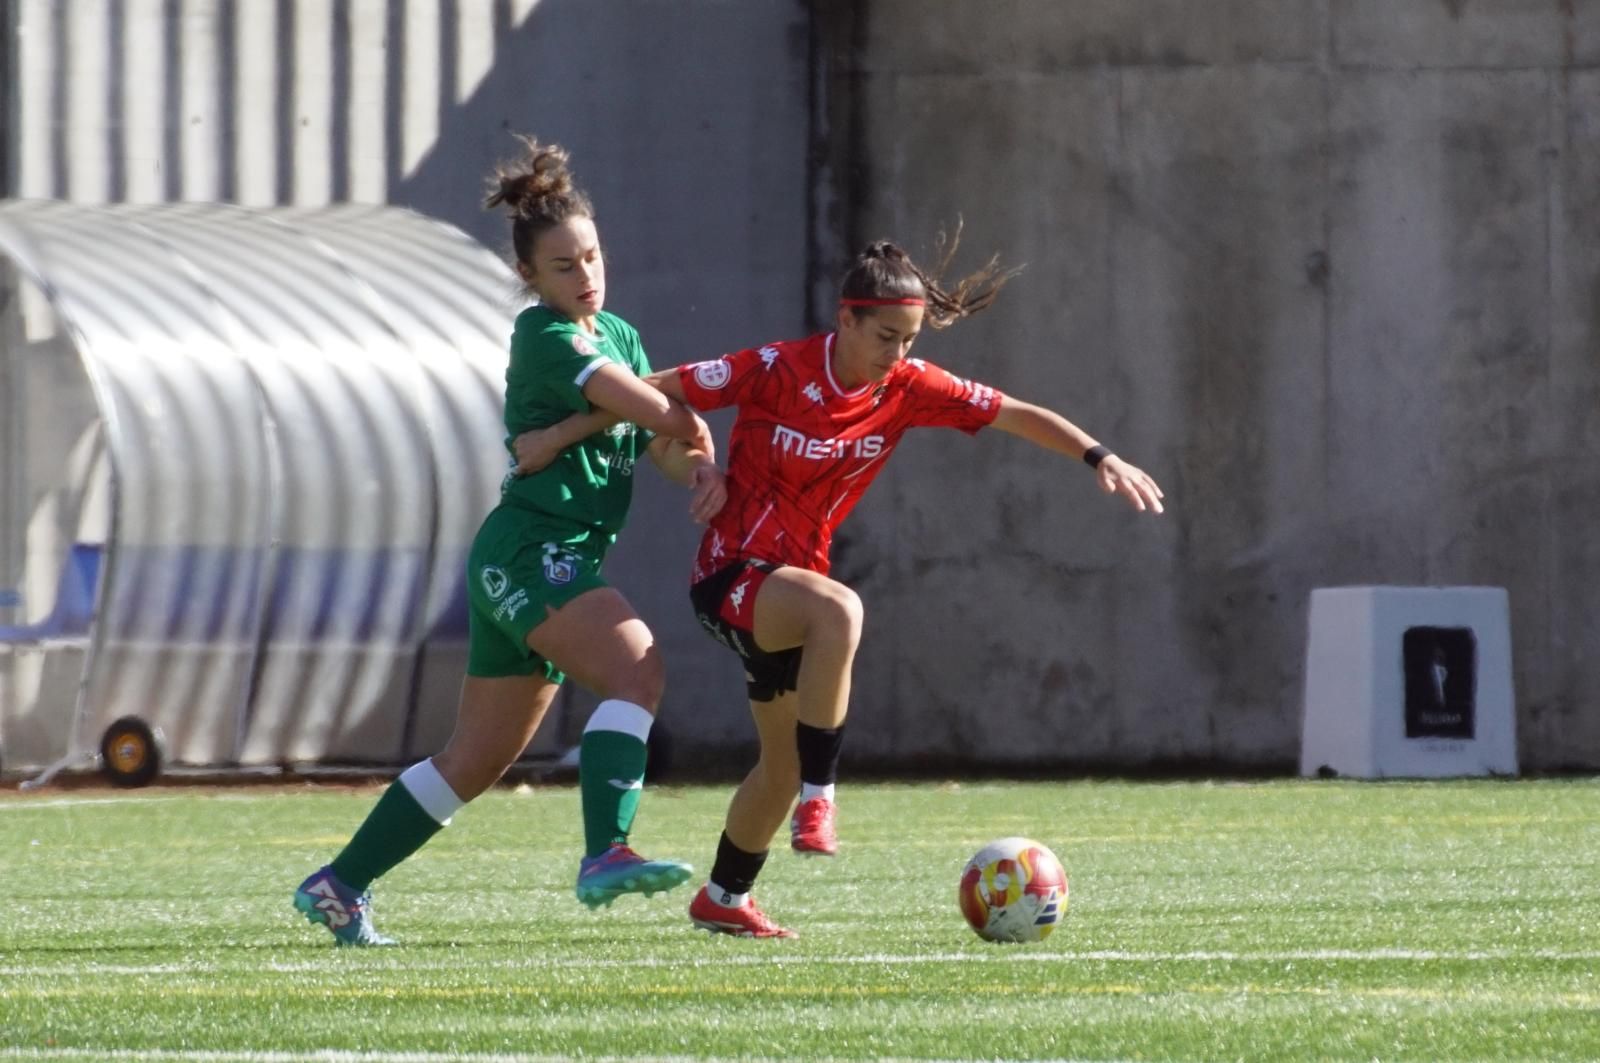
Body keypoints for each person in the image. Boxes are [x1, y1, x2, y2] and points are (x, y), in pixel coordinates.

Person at [517, 235, 1165, 938]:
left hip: (791, 597)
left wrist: (1099, 455)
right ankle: (822, 798)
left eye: (910, 339)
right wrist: (561, 435)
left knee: (779, 760)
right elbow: (655, 391)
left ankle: (726, 896)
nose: (899, 354)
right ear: (846, 319)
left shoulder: (908, 388)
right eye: (886, 335)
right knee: (841, 609)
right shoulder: (775, 368)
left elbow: (1013, 412)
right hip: (730, 576)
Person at [291, 136, 725, 946]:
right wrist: (669, 411)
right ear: (531, 277)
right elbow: (655, 407)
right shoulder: (546, 337)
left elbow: (663, 437)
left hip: (547, 561)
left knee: (474, 762)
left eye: (592, 255)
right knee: (638, 665)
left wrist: (693, 464)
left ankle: (339, 884)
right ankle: (607, 851)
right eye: (564, 265)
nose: (585, 275)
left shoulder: (619, 335)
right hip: (531, 554)